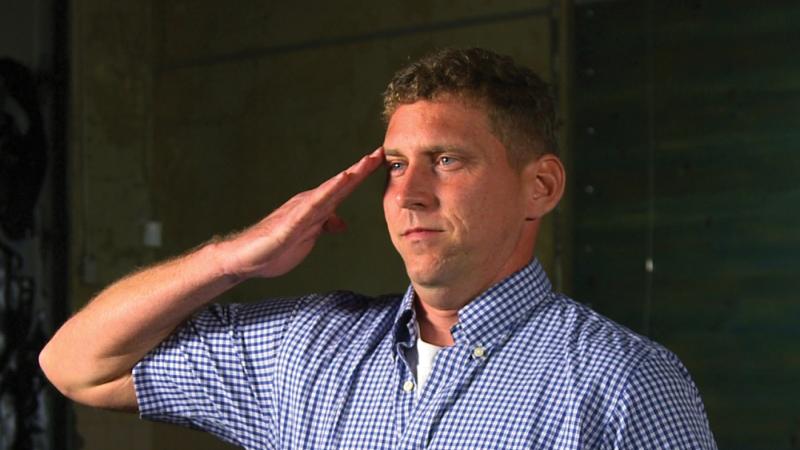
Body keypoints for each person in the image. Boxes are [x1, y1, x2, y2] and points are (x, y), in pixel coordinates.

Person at [40, 48, 717, 449]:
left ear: (539, 186)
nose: (410, 194)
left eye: (447, 160)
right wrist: (234, 256)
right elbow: (77, 366)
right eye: (395, 165)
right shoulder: (303, 353)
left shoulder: (623, 385)